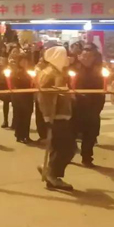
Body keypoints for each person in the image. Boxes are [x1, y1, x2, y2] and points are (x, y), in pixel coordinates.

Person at [37, 46, 75, 191]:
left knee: (59, 147)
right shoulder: (49, 74)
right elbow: (44, 96)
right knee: (68, 148)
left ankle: (50, 171)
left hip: (60, 114)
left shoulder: (57, 72)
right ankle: (52, 173)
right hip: (56, 116)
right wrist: (48, 116)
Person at [73, 48, 105, 167]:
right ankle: (66, 155)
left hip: (92, 108)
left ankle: (87, 158)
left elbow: (101, 90)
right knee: (71, 133)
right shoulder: (74, 70)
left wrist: (97, 107)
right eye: (84, 56)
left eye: (89, 56)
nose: (86, 59)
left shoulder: (98, 72)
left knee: (90, 134)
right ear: (79, 56)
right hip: (77, 107)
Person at [12, 54, 35, 144]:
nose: (25, 63)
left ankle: (26, 135)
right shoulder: (17, 72)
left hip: (28, 96)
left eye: (26, 61)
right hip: (19, 97)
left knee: (27, 116)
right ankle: (19, 135)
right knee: (20, 116)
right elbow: (15, 84)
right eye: (22, 61)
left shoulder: (29, 71)